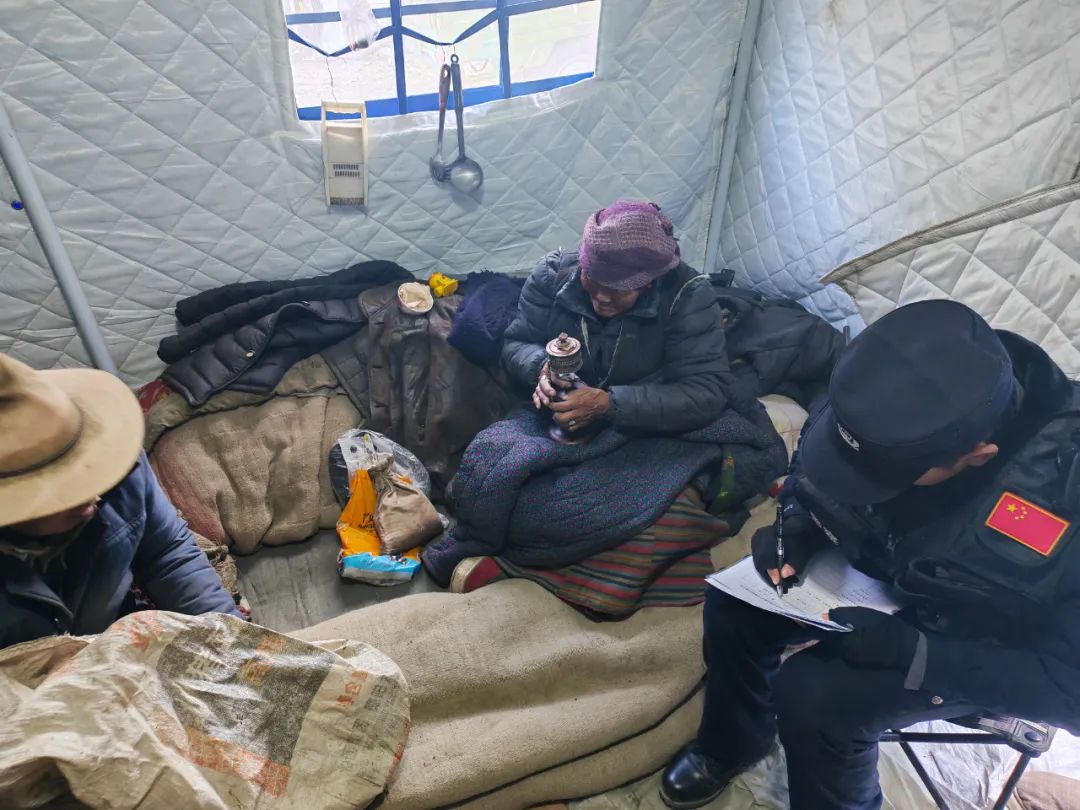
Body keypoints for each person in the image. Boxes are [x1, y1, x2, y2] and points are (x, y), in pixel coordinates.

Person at [661, 300, 1080, 810]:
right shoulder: (883, 376)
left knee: (815, 696)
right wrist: (797, 521)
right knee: (735, 605)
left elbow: (1070, 690)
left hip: (976, 638)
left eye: (880, 476)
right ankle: (733, 742)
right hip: (891, 568)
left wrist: (915, 653)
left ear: (977, 456)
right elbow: (815, 469)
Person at [0, 354, 242, 649]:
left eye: (88, 472)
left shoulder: (117, 465)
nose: (93, 497)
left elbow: (166, 553)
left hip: (111, 638)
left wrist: (231, 636)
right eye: (63, 490)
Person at [501, 200, 731, 435]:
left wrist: (610, 404)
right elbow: (516, 343)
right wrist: (541, 367)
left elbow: (706, 391)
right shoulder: (551, 274)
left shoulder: (688, 296)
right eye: (591, 280)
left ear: (648, 283)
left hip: (643, 422)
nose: (601, 298)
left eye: (618, 290)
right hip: (555, 414)